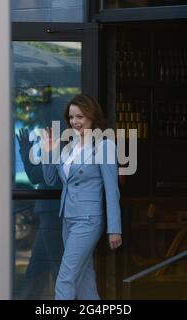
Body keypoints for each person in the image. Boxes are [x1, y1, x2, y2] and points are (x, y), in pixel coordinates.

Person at [41, 94, 122, 300]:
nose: (74, 122)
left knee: (65, 277)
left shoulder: (104, 146)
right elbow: (50, 180)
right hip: (68, 219)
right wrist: (48, 152)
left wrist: (114, 229)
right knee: (84, 278)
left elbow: (111, 190)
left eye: (80, 117)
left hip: (88, 220)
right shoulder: (68, 147)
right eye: (71, 117)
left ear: (92, 117)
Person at [16, 128, 63, 299]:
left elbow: (36, 176)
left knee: (55, 268)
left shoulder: (57, 146)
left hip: (53, 213)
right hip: (50, 212)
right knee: (37, 269)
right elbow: (37, 176)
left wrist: (26, 150)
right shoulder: (56, 145)